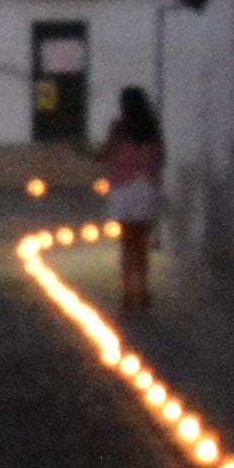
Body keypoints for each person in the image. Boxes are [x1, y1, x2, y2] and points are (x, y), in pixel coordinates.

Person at [99, 85, 163, 313]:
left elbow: (105, 154)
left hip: (123, 190)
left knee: (126, 245)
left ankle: (127, 296)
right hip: (145, 188)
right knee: (141, 244)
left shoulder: (119, 128)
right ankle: (142, 292)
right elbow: (160, 158)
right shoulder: (151, 128)